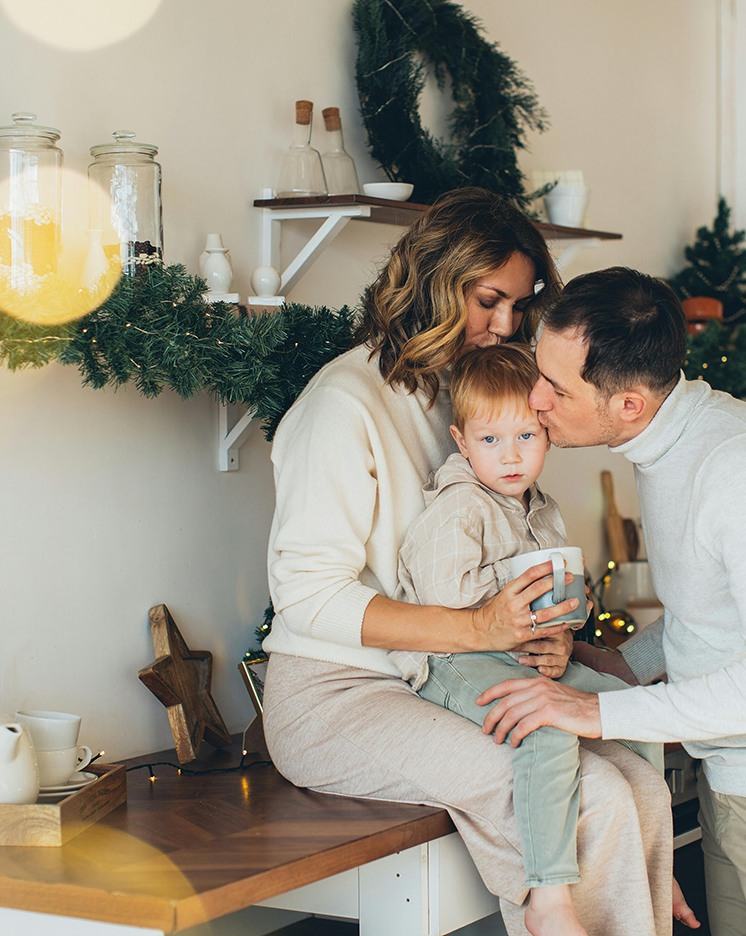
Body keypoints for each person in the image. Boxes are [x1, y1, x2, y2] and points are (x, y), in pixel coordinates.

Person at [261, 192, 676, 936]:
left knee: (635, 774)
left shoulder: (466, 397)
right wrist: (483, 628)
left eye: (520, 306)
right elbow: (306, 600)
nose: (507, 326)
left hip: (439, 679)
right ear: (433, 279)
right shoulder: (341, 405)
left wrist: (542, 636)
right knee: (589, 793)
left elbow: (497, 564)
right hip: (336, 699)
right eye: (491, 301)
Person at [479, 267, 746, 936]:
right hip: (736, 787)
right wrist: (621, 664)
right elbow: (711, 614)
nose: (536, 400)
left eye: (556, 387)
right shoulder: (669, 444)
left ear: (630, 405)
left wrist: (597, 710)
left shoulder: (737, 470)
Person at [390, 342, 664, 936]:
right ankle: (548, 896)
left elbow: (563, 606)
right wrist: (522, 589)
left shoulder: (542, 508)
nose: (510, 456)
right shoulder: (459, 507)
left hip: (523, 652)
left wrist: (569, 617)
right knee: (544, 730)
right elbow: (443, 602)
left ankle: (655, 874)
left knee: (634, 709)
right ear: (462, 443)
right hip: (455, 658)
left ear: (546, 433)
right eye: (490, 441)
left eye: (525, 438)